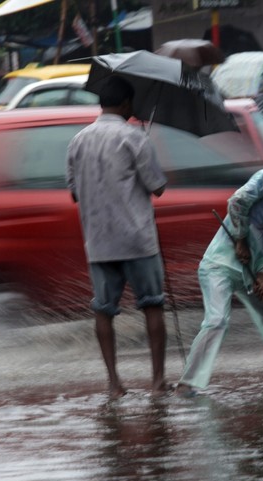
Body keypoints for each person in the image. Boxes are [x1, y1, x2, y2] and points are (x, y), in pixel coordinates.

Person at [175, 149, 263, 396]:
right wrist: (240, 239)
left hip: (251, 272)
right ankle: (187, 383)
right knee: (217, 320)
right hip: (219, 264)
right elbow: (238, 201)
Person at [66, 76, 169, 398]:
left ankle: (113, 383)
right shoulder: (134, 137)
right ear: (125, 104)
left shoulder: (78, 141)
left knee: (103, 311)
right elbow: (158, 186)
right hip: (137, 238)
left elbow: (74, 193)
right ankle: (157, 382)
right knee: (152, 307)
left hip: (98, 241)